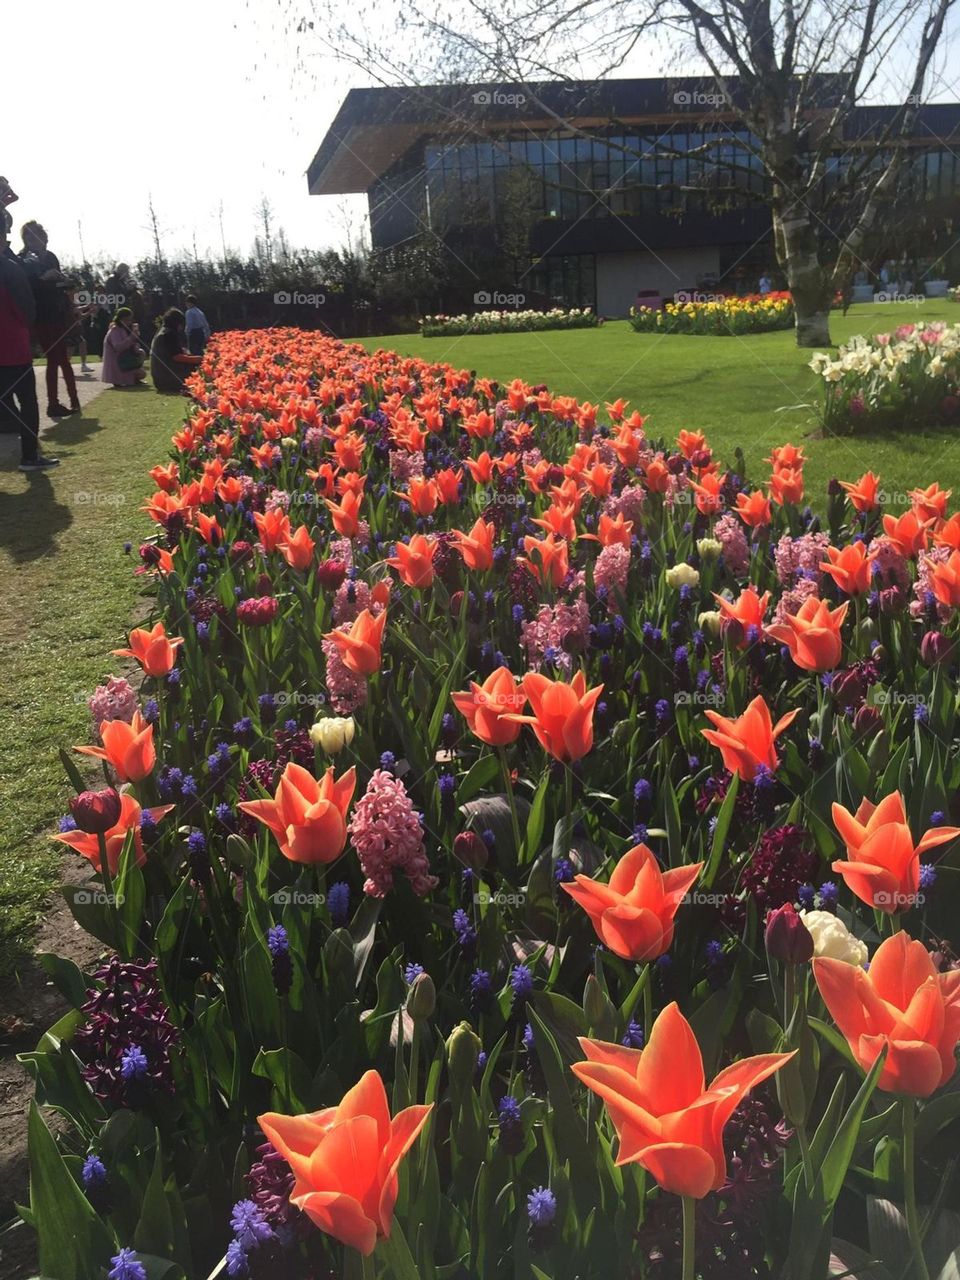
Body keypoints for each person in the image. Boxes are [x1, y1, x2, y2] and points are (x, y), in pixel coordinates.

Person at [0, 210, 59, 470]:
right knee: (28, 403)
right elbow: (26, 310)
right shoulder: (10, 269)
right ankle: (30, 456)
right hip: (11, 347)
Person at [19, 220, 81, 417]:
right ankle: (54, 403)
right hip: (40, 317)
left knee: (62, 358)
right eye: (28, 236)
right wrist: (44, 279)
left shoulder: (50, 257)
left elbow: (58, 287)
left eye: (36, 235)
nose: (33, 240)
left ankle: (73, 401)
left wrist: (65, 282)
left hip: (58, 314)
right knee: (55, 358)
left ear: (44, 237)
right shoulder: (23, 259)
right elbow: (27, 290)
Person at [150, 307, 202, 393]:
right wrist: (198, 359)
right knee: (198, 368)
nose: (181, 327)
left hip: (160, 379)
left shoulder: (162, 332)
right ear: (177, 323)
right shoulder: (169, 334)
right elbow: (177, 357)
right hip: (168, 378)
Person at [101, 306, 147, 386]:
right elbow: (118, 347)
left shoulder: (123, 329)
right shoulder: (114, 330)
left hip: (124, 358)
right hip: (117, 361)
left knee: (141, 353)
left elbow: (129, 344)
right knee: (141, 374)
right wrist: (131, 338)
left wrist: (135, 343)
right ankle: (121, 379)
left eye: (130, 319)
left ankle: (132, 378)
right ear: (119, 319)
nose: (128, 322)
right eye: (126, 319)